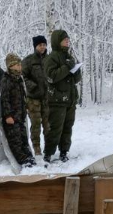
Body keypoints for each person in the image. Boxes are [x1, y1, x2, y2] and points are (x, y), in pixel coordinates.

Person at [43, 29, 82, 163]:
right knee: (55, 129)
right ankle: (48, 153)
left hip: (70, 100)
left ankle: (64, 151)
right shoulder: (51, 58)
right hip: (57, 101)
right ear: (57, 41)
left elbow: (76, 80)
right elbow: (51, 77)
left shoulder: (69, 57)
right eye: (65, 40)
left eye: (68, 40)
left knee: (67, 128)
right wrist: (66, 67)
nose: (67, 41)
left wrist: (76, 70)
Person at [0, 54, 35, 168]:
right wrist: (8, 115)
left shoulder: (19, 79)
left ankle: (28, 156)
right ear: (11, 66)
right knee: (16, 140)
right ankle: (23, 160)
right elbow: (5, 99)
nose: (20, 67)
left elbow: (22, 95)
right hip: (12, 118)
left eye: (20, 64)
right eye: (18, 65)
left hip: (20, 115)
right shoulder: (6, 80)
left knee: (23, 138)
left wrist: (26, 107)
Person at [21, 35, 50, 156]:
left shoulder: (50, 59)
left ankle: (48, 149)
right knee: (36, 125)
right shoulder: (28, 60)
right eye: (40, 45)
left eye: (44, 45)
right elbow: (23, 76)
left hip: (47, 98)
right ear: (35, 46)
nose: (42, 47)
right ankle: (37, 149)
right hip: (33, 99)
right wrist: (31, 85)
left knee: (48, 126)